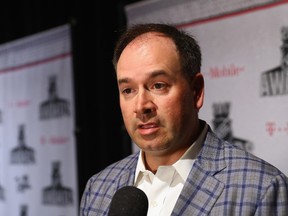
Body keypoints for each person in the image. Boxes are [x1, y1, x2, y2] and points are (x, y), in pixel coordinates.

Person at [80, 23, 288, 215]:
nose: (141, 106)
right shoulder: (98, 189)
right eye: (128, 90)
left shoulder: (262, 188)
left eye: (158, 85)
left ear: (196, 91)